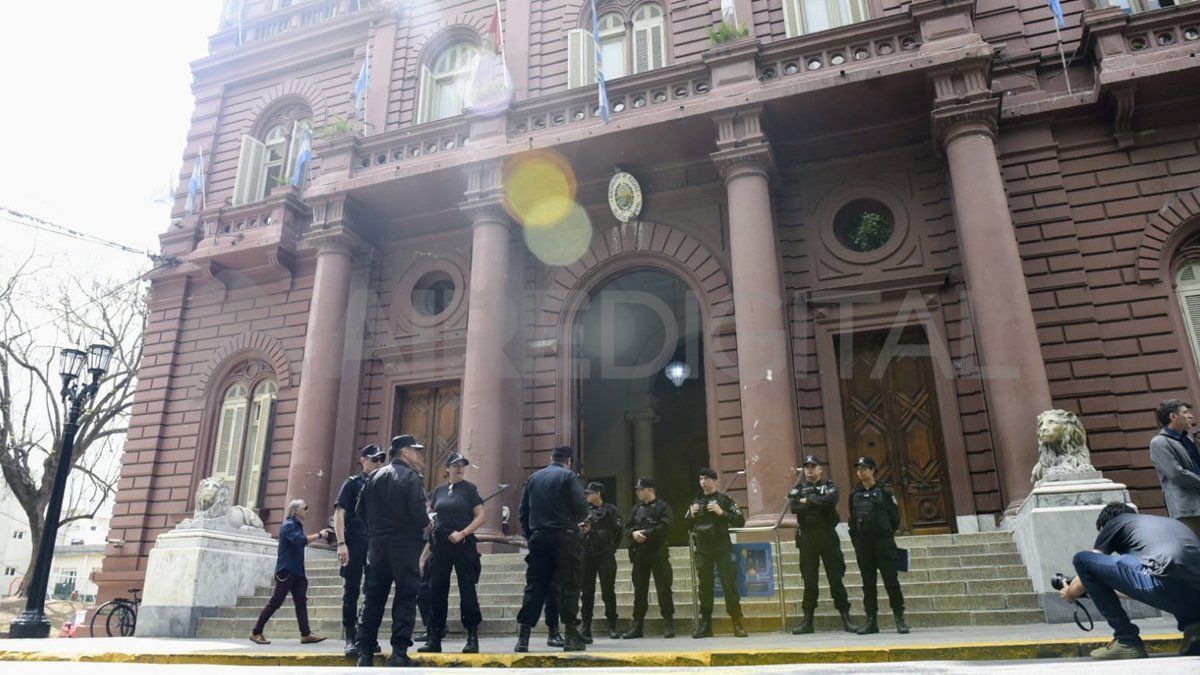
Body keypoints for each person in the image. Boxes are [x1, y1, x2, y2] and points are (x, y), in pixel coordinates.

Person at [1062, 502, 1200, 659]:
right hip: (1194, 595)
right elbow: (1139, 589)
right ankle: (1195, 630)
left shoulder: (1114, 523)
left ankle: (1127, 641)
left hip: (1162, 582)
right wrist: (1093, 590)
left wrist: (1070, 592)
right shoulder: (1165, 524)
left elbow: (1081, 579)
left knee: (1082, 560)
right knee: (1175, 576)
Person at [354, 434, 430, 667]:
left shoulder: (374, 476)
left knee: (373, 598)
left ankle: (365, 653)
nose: (418, 455)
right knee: (406, 597)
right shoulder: (411, 478)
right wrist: (428, 521)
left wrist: (375, 531)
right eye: (415, 450)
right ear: (404, 453)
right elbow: (419, 516)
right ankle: (398, 653)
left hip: (377, 546)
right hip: (404, 546)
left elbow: (360, 511)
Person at [514, 445, 589, 652]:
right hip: (565, 537)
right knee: (569, 585)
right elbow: (582, 507)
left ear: (550, 458)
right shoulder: (569, 476)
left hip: (539, 538)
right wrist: (577, 524)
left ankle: (523, 638)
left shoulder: (534, 478)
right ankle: (571, 637)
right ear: (569, 461)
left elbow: (522, 512)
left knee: (535, 586)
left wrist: (532, 536)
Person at [419, 453, 486, 655]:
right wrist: (423, 556)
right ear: (446, 469)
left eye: (462, 465)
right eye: (455, 465)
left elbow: (481, 516)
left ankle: (472, 637)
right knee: (436, 590)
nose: (459, 468)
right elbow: (430, 518)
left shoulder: (470, 490)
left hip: (463, 544)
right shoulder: (438, 491)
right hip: (440, 545)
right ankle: (435, 637)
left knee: (467, 589)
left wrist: (463, 532)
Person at [789, 454, 857, 634]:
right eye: (807, 467)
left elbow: (831, 501)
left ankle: (846, 617)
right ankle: (807, 620)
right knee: (809, 580)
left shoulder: (830, 486)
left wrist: (809, 501)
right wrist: (818, 503)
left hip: (827, 536)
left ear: (820, 469)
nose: (810, 470)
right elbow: (794, 507)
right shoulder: (799, 488)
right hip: (808, 538)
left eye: (813, 466)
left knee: (835, 578)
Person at [249, 499, 330, 645]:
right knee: (275, 602)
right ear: (296, 511)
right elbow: (300, 541)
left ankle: (305, 634)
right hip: (286, 571)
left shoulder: (296, 526)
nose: (307, 510)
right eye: (305, 508)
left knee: (301, 602)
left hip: (297, 571)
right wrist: (319, 535)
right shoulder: (289, 526)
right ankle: (256, 632)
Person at [333, 443, 387, 657]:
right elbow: (340, 513)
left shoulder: (383, 484)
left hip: (376, 542)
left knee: (373, 591)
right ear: (363, 460)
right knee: (352, 590)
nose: (379, 463)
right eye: (375, 459)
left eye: (381, 460)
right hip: (354, 541)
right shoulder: (352, 484)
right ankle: (350, 637)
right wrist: (340, 543)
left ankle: (366, 636)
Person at [686, 467, 748, 639]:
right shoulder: (696, 502)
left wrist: (722, 513)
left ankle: (737, 622)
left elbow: (740, 520)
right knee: (705, 587)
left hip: (721, 547)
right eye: (700, 479)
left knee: (729, 585)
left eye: (706, 478)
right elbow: (686, 525)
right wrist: (691, 515)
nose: (703, 482)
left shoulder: (725, 500)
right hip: (703, 549)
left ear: (714, 480)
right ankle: (706, 624)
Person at [848, 456, 907, 635]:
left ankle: (900, 618)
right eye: (858, 469)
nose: (861, 472)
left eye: (864, 468)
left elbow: (895, 517)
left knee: (891, 581)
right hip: (864, 543)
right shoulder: (854, 494)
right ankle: (871, 620)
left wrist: (885, 532)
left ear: (872, 470)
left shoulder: (884, 492)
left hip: (883, 541)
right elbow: (852, 516)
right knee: (868, 583)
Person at [621, 477, 675, 639]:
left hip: (657, 553)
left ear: (649, 490)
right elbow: (627, 527)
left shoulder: (662, 507)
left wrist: (647, 534)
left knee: (664, 588)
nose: (637, 492)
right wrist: (633, 534)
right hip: (640, 555)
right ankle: (637, 625)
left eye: (640, 489)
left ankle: (668, 623)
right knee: (639, 591)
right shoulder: (636, 508)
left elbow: (666, 525)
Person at [1149, 400, 1200, 537]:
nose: (1190, 416)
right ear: (1173, 417)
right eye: (1185, 412)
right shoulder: (1159, 442)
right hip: (1188, 510)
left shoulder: (1187, 439)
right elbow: (1177, 474)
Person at [579, 481, 623, 642]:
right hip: (587, 554)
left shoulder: (610, 510)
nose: (587, 495)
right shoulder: (584, 511)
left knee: (608, 591)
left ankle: (612, 625)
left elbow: (618, 532)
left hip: (605, 554)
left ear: (598, 493)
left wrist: (610, 547)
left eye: (590, 493)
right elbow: (578, 533)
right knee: (587, 592)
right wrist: (584, 534)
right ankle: (585, 626)